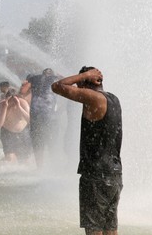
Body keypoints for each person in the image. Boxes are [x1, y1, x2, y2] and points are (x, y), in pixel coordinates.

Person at [52, 67, 122, 235]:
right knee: (110, 228)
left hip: (96, 175)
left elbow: (57, 86)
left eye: (78, 83)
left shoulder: (93, 99)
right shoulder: (113, 99)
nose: (75, 88)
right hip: (114, 174)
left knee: (94, 229)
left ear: (86, 82)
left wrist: (84, 75)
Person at [21, 68, 60, 168]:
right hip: (50, 114)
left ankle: (40, 168)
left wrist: (27, 84)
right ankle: (54, 166)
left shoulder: (34, 78)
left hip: (35, 113)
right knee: (51, 140)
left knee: (37, 140)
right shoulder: (55, 79)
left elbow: (23, 91)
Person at [0, 89, 32, 162]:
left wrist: (19, 106)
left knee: (24, 159)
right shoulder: (1, 105)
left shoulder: (23, 103)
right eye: (9, 100)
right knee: (10, 158)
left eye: (13, 100)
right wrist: (5, 107)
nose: (12, 103)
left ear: (17, 98)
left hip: (23, 133)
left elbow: (30, 120)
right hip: (7, 132)